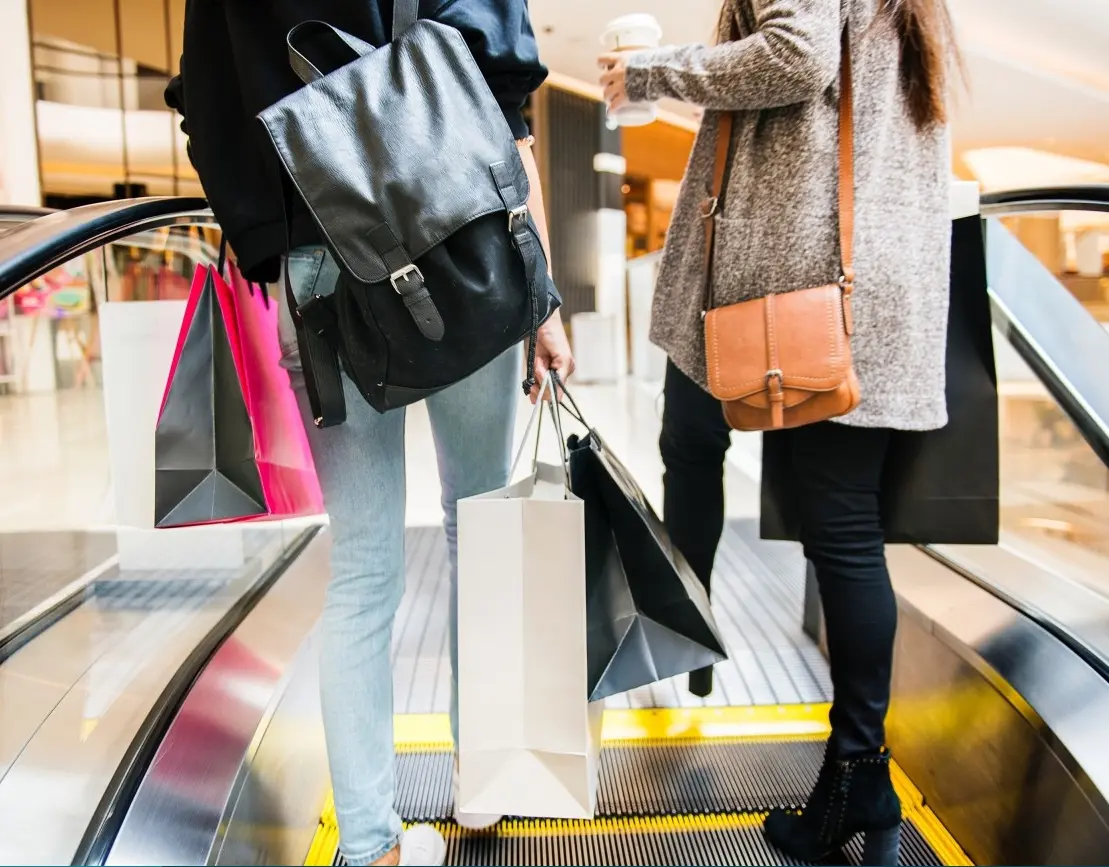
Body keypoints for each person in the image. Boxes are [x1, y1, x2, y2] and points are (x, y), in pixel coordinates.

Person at [168, 1, 573, 864]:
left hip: (319, 273)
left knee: (361, 570)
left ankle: (369, 843)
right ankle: (483, 787)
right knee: (482, 526)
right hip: (458, 237)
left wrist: (270, 248)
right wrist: (544, 293)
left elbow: (204, 107)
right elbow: (502, 97)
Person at [599, 0, 960, 862]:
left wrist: (652, 72)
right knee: (838, 523)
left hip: (796, 288)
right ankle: (851, 766)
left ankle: (849, 771)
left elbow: (796, 58)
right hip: (851, 283)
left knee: (766, 489)